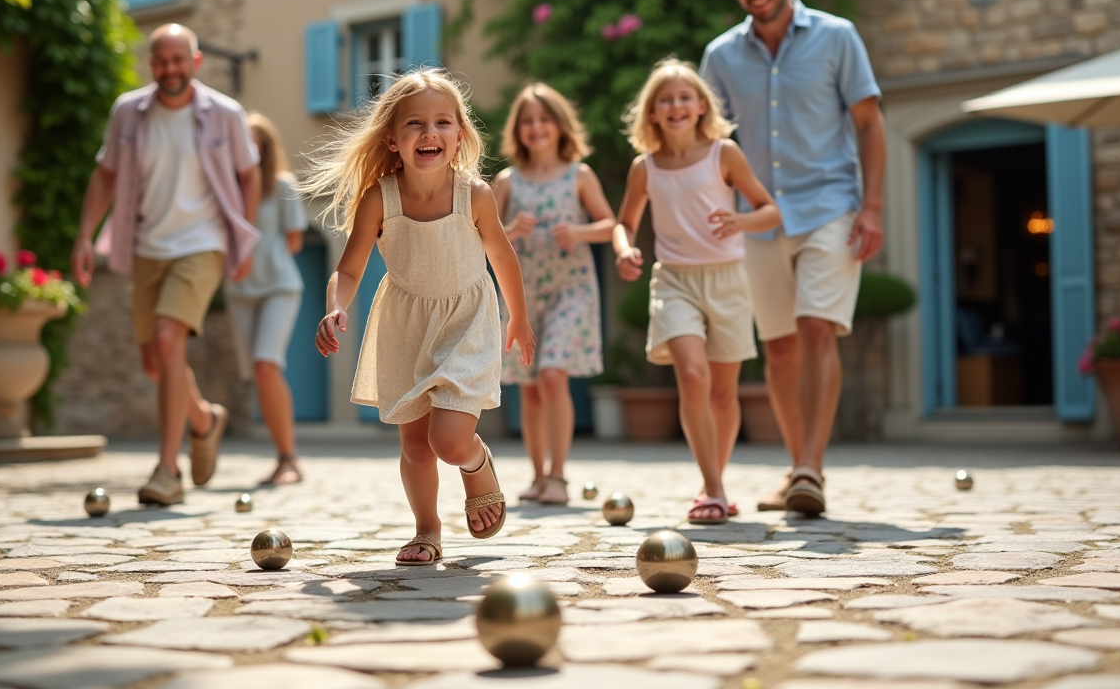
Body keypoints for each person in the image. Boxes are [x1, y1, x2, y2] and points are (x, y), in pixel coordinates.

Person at [310, 68, 535, 565]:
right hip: (404, 325)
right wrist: (335, 308)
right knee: (415, 446)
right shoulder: (379, 198)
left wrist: (517, 317)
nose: (429, 133)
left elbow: (502, 258)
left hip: (466, 319)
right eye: (414, 124)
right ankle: (427, 529)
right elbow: (348, 271)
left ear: (459, 136)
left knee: (448, 440)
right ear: (391, 139)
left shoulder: (473, 195)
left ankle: (477, 463)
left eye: (442, 123)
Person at [699, 0, 886, 516]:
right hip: (756, 220)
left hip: (830, 205)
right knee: (778, 350)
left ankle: (811, 468)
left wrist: (874, 206)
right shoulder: (721, 56)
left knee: (816, 329)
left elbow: (870, 123)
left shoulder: (837, 37)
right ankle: (797, 465)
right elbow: (711, 145)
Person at [72, 23, 261, 506]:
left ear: (195, 62)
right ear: (150, 63)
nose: (170, 69)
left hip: (203, 244)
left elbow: (248, 174)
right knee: (157, 363)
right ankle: (203, 419)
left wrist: (244, 239)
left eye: (179, 59)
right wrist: (84, 236)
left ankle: (166, 471)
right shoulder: (128, 113)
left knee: (165, 337)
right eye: (161, 60)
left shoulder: (224, 113)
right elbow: (106, 173)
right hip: (146, 247)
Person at [613, 58, 779, 523]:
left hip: (727, 279)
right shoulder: (644, 167)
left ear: (702, 106)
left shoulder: (723, 153)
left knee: (724, 395)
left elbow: (770, 211)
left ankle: (710, 482)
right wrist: (624, 250)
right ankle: (717, 490)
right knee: (692, 375)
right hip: (675, 280)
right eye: (665, 99)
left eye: (685, 97)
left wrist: (740, 220)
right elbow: (624, 223)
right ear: (652, 113)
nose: (676, 105)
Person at [492, 83, 615, 506]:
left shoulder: (579, 174)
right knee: (529, 386)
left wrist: (579, 230)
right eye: (527, 121)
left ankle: (559, 476)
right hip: (522, 297)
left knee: (551, 374)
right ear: (518, 130)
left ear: (560, 126)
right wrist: (510, 231)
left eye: (544, 119)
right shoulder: (506, 181)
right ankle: (538, 475)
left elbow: (610, 225)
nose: (536, 127)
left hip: (571, 290)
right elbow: (481, 238)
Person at [224, 112, 306, 485]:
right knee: (257, 376)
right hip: (239, 292)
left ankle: (289, 459)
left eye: (251, 139)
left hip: (278, 286)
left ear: (265, 146)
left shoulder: (283, 185)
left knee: (265, 366)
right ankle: (281, 457)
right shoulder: (225, 189)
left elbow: (294, 240)